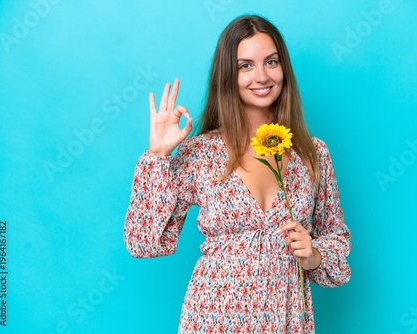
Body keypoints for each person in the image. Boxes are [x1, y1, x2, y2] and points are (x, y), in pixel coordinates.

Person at [123, 14, 351, 333]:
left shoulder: (311, 154)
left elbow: (336, 243)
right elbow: (145, 243)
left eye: (271, 62)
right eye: (245, 65)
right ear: (228, 75)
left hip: (286, 320)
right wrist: (158, 155)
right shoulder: (201, 153)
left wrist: (314, 255)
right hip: (213, 319)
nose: (261, 76)